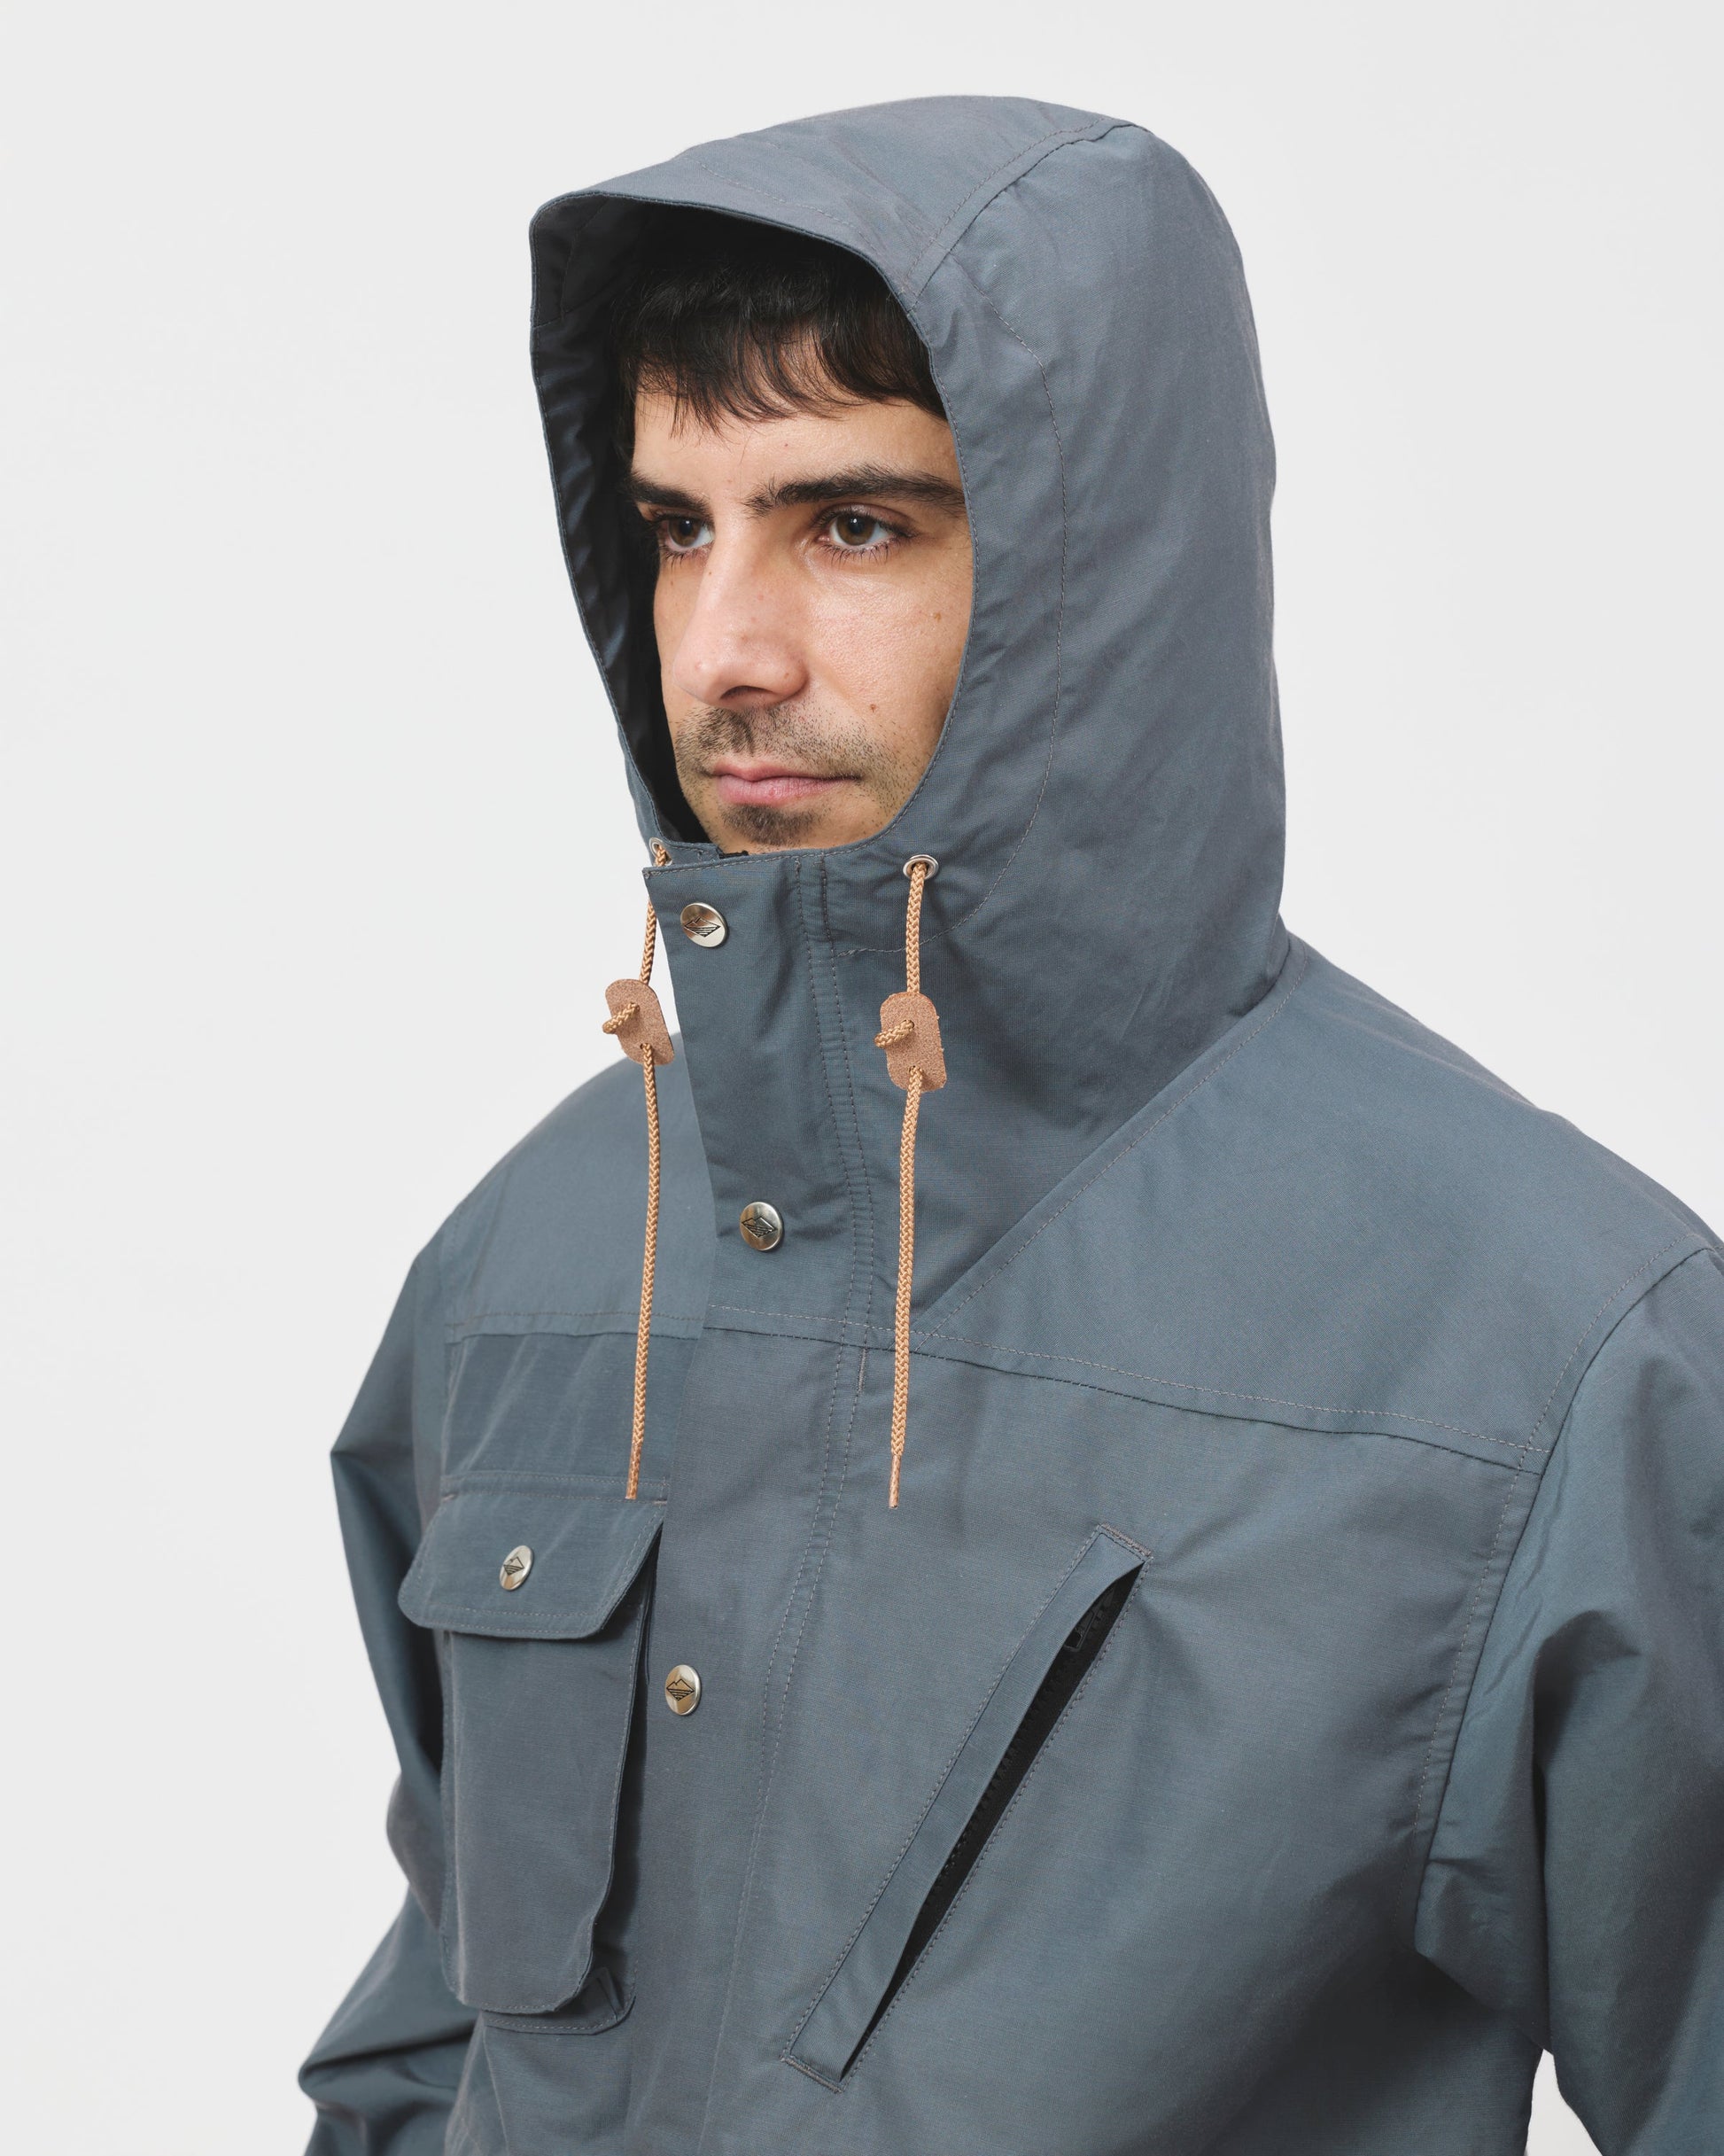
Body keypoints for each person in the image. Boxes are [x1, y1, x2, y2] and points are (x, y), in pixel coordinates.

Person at [300, 97, 1724, 2156]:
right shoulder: (539, 1253)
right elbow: (439, 2045)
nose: (727, 648)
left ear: (1101, 570)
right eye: (678, 526)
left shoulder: (1553, 1352)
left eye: (851, 524)